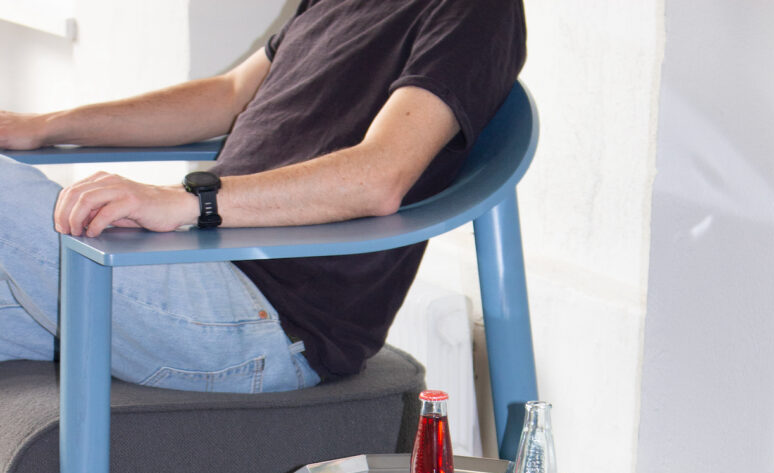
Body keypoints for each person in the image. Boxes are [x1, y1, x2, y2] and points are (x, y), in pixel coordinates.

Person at [0, 0, 526, 393]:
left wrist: (189, 201)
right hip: (198, 266)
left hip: (270, 321)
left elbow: (380, 176)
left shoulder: (474, 10)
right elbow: (229, 94)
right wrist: (43, 126)